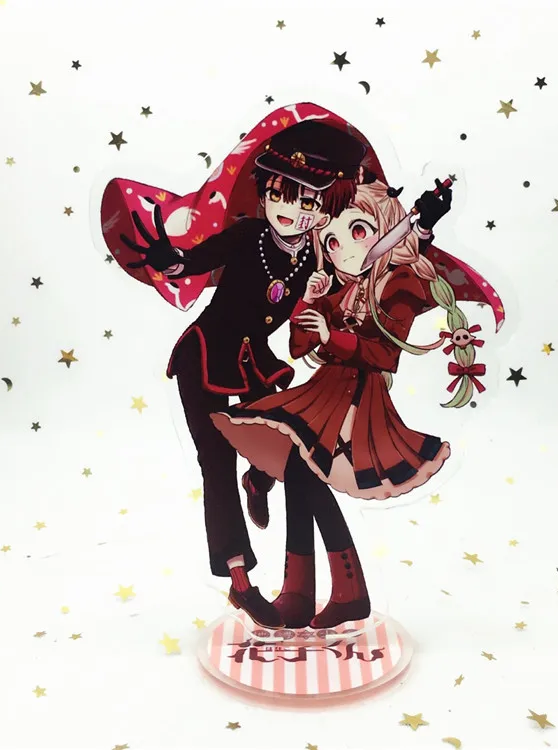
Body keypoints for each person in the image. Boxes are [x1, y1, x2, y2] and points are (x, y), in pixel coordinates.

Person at [114, 116, 384, 628]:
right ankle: (240, 582)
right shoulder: (249, 235)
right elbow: (196, 260)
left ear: (325, 209)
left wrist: (319, 314)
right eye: (281, 194)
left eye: (308, 202)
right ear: (264, 190)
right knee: (215, 463)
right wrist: (172, 262)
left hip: (255, 361)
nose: (291, 211)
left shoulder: (313, 257)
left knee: (287, 443)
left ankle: (258, 479)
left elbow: (334, 296)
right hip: (205, 358)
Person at [211, 176, 504, 628]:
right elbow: (298, 346)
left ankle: (337, 591)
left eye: (358, 231)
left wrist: (334, 337)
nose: (343, 248)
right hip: (325, 394)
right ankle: (306, 593)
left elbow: (386, 355)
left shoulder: (401, 284)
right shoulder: (341, 290)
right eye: (330, 241)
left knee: (305, 476)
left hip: (359, 400)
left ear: (386, 229)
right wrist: (309, 303)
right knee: (301, 476)